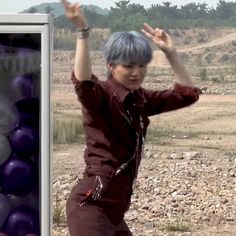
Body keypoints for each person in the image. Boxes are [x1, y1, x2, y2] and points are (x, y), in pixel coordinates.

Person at [62, 1, 202, 235]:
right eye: (128, 66)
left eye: (142, 65)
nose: (137, 72)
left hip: (115, 212)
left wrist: (171, 53)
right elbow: (83, 82)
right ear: (111, 65)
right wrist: (83, 33)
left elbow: (185, 95)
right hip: (91, 206)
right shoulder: (100, 97)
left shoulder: (141, 99)